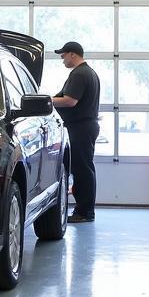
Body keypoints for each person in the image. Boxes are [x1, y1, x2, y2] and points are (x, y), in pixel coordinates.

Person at [51, 41, 101, 223]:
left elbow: (70, 101)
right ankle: (85, 211)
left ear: (73, 54)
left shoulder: (79, 74)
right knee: (83, 168)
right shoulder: (89, 72)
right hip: (85, 126)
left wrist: (47, 100)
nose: (62, 59)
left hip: (81, 127)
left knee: (82, 169)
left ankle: (84, 212)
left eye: (63, 55)